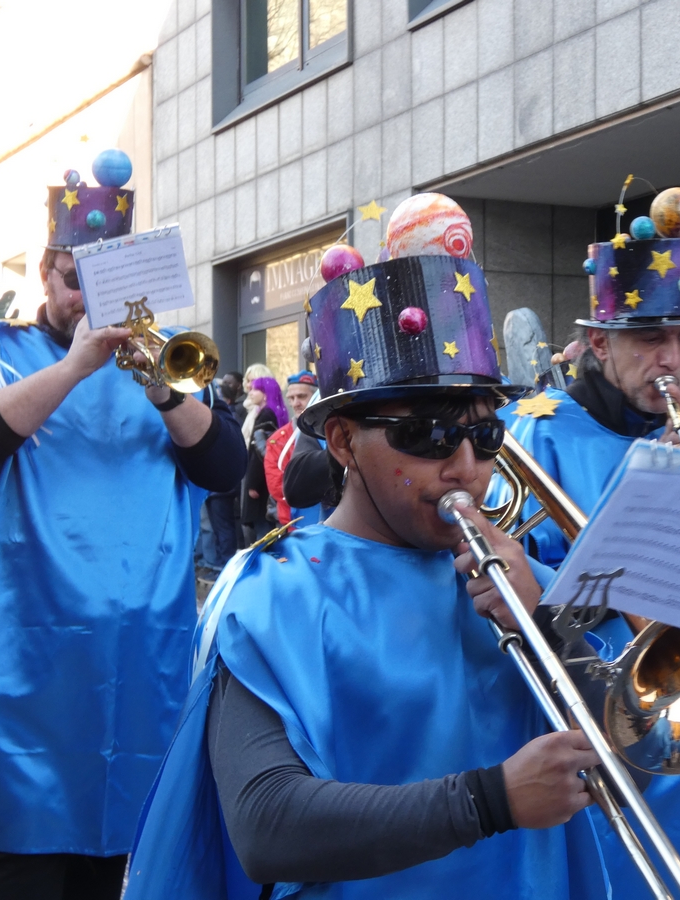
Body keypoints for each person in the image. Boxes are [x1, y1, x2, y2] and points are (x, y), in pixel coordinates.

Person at [125, 224, 611, 899]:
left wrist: (551, 626)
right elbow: (266, 823)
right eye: (427, 435)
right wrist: (489, 800)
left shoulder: (520, 578)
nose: (466, 468)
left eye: (484, 434)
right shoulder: (274, 591)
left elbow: (635, 761)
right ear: (344, 441)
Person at [0, 157, 246, 900]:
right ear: (45, 272)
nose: (89, 302)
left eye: (108, 285)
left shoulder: (171, 356)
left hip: (136, 649)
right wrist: (74, 367)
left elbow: (224, 464)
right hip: (28, 647)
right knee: (29, 856)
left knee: (113, 844)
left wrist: (160, 385)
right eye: (76, 282)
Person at [503, 194, 680, 900]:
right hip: (595, 706)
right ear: (599, 345)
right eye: (651, 340)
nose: (673, 360)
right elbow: (512, 584)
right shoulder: (537, 431)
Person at [263, 372, 318, 525]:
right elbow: (277, 486)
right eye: (291, 398)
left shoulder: (333, 431)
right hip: (293, 522)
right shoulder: (277, 440)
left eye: (301, 397)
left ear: (316, 397)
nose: (295, 404)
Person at [241, 375, 288, 543]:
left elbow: (260, 452)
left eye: (255, 389)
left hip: (262, 484)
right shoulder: (272, 413)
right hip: (267, 480)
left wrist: (253, 483)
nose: (250, 392)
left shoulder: (266, 415)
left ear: (266, 393)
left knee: (262, 531)